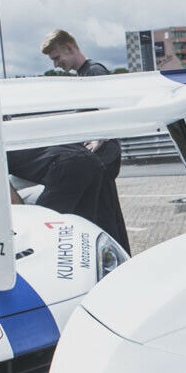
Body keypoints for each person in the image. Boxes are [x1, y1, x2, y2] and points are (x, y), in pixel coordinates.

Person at [39, 29, 130, 251]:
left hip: (103, 158)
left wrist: (99, 138)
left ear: (70, 48)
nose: (56, 65)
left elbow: (113, 111)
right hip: (99, 159)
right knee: (106, 216)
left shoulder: (94, 71)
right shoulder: (84, 75)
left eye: (57, 58)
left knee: (103, 217)